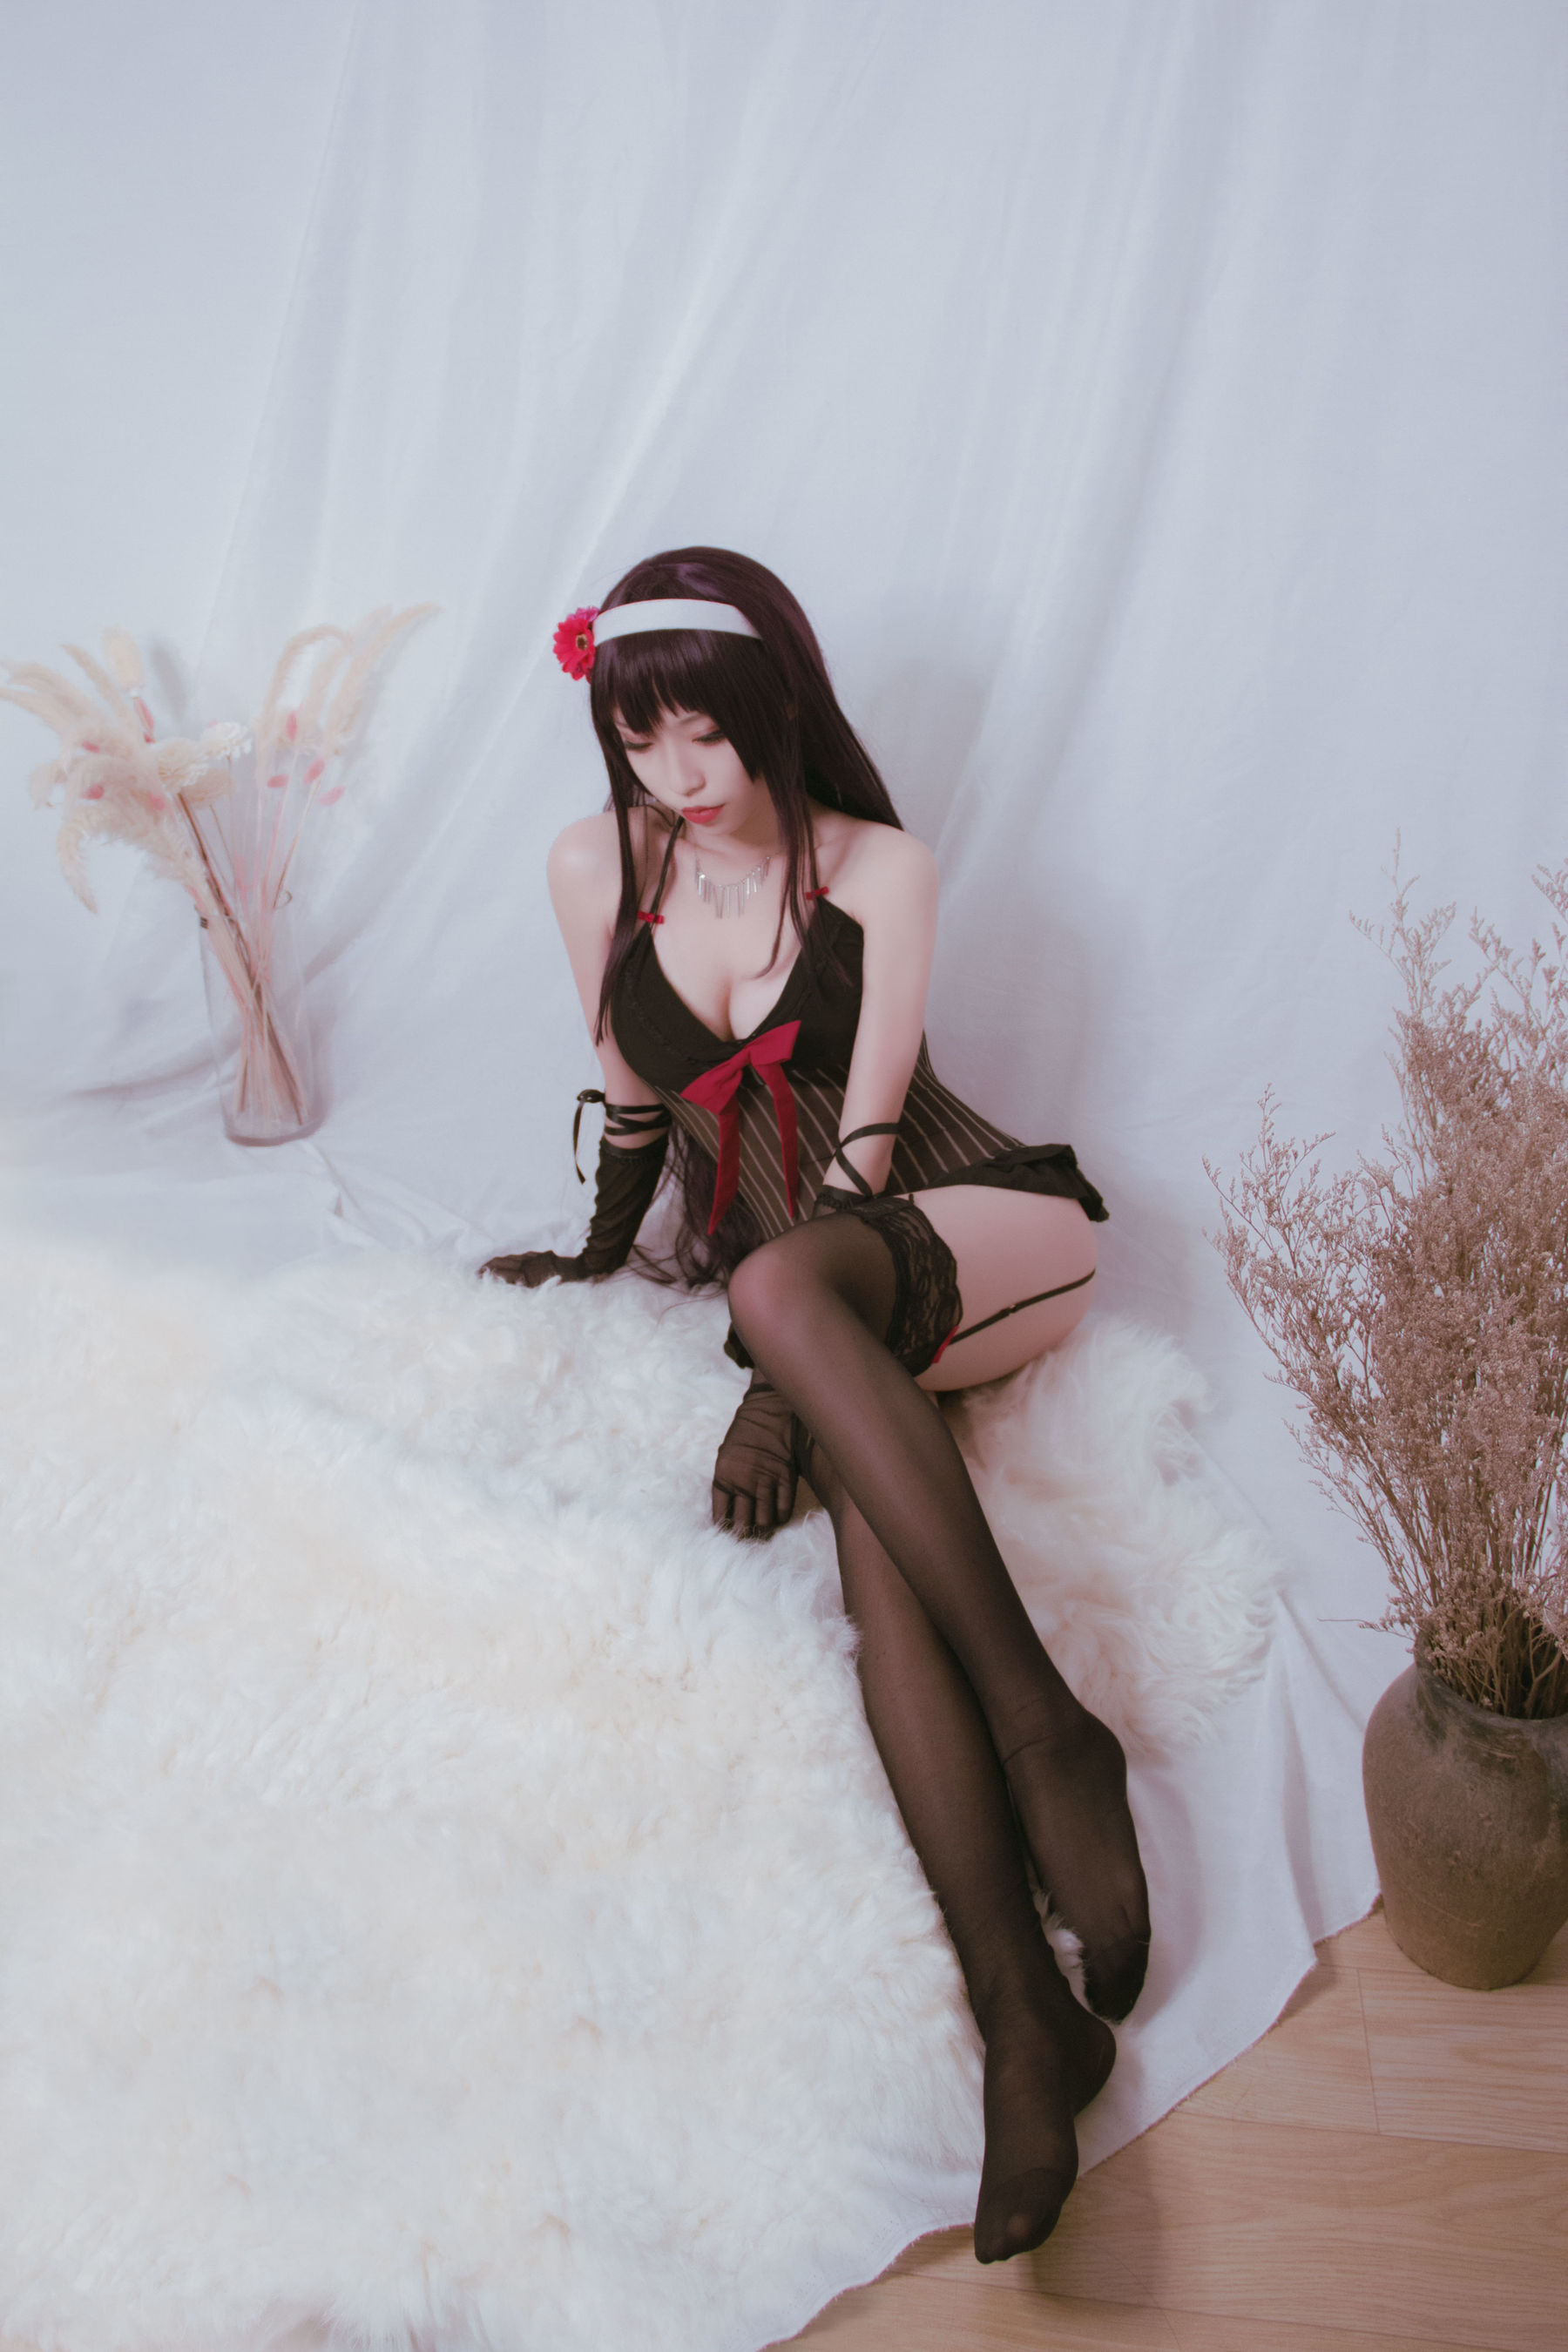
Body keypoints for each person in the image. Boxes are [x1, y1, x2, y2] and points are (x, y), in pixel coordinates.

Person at [483, 548, 1150, 2263]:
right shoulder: (595, 868)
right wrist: (591, 1258)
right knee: (868, 1465)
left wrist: (774, 1376)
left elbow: (863, 1162)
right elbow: (639, 1104)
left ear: (776, 709)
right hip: (818, 1302)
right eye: (640, 744)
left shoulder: (877, 870)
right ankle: (1025, 2023)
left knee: (791, 1300)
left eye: (705, 736)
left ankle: (1046, 1728)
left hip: (979, 1225)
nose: (676, 778)